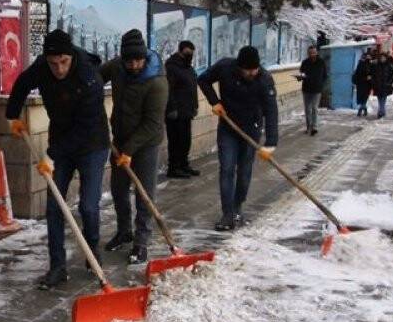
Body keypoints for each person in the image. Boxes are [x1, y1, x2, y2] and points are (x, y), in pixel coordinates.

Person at [5, 29, 110, 288]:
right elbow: (21, 84)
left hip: (92, 144)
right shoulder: (43, 67)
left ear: (72, 56)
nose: (59, 69)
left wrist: (52, 156)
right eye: (53, 64)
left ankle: (92, 249)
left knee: (88, 206)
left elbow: (85, 128)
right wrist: (13, 116)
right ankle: (57, 267)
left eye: (64, 62)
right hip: (61, 141)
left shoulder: (89, 78)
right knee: (54, 207)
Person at [101, 29, 169, 265]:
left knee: (144, 192)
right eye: (129, 61)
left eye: (138, 60)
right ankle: (124, 232)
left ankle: (141, 242)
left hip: (147, 143)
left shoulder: (156, 81)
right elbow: (96, 77)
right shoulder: (118, 67)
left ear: (144, 56)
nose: (134, 66)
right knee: (119, 190)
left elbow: (152, 124)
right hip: (120, 139)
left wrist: (129, 150)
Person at [198, 45, 278, 232]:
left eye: (254, 69)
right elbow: (203, 80)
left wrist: (271, 143)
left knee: (244, 172)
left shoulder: (264, 79)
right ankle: (227, 214)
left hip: (251, 130)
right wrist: (214, 101)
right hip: (228, 128)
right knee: (226, 168)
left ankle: (237, 207)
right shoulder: (225, 67)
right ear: (239, 66)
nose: (251, 73)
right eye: (247, 69)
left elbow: (271, 111)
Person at [164, 40, 201, 178]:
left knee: (186, 141)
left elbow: (192, 88)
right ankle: (173, 168)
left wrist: (195, 106)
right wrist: (171, 108)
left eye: (191, 53)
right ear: (180, 51)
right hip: (175, 113)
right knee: (175, 141)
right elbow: (168, 89)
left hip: (187, 111)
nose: (190, 55)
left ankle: (184, 165)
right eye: (187, 53)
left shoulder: (188, 68)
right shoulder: (171, 67)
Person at [295, 45, 327, 135]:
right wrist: (299, 77)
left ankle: (314, 127)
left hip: (317, 89)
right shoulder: (305, 62)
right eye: (310, 53)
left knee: (314, 108)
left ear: (316, 53)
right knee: (307, 109)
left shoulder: (321, 62)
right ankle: (308, 127)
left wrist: (321, 84)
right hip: (306, 89)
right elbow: (302, 73)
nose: (312, 54)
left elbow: (325, 75)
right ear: (308, 53)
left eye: (313, 52)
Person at [372, 52, 393, 119]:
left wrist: (389, 82)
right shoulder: (376, 65)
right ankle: (382, 111)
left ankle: (380, 112)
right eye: (381, 58)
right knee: (380, 99)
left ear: (386, 58)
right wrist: (374, 83)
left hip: (386, 86)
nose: (382, 59)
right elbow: (373, 75)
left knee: (383, 99)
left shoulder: (389, 66)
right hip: (378, 86)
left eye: (383, 58)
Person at [352, 49, 374, 117]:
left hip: (367, 85)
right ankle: (364, 109)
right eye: (367, 56)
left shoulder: (371, 65)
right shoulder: (360, 64)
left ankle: (360, 110)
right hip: (361, 84)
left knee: (365, 98)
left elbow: (373, 74)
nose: (368, 58)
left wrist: (371, 78)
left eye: (369, 56)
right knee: (361, 98)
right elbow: (357, 74)